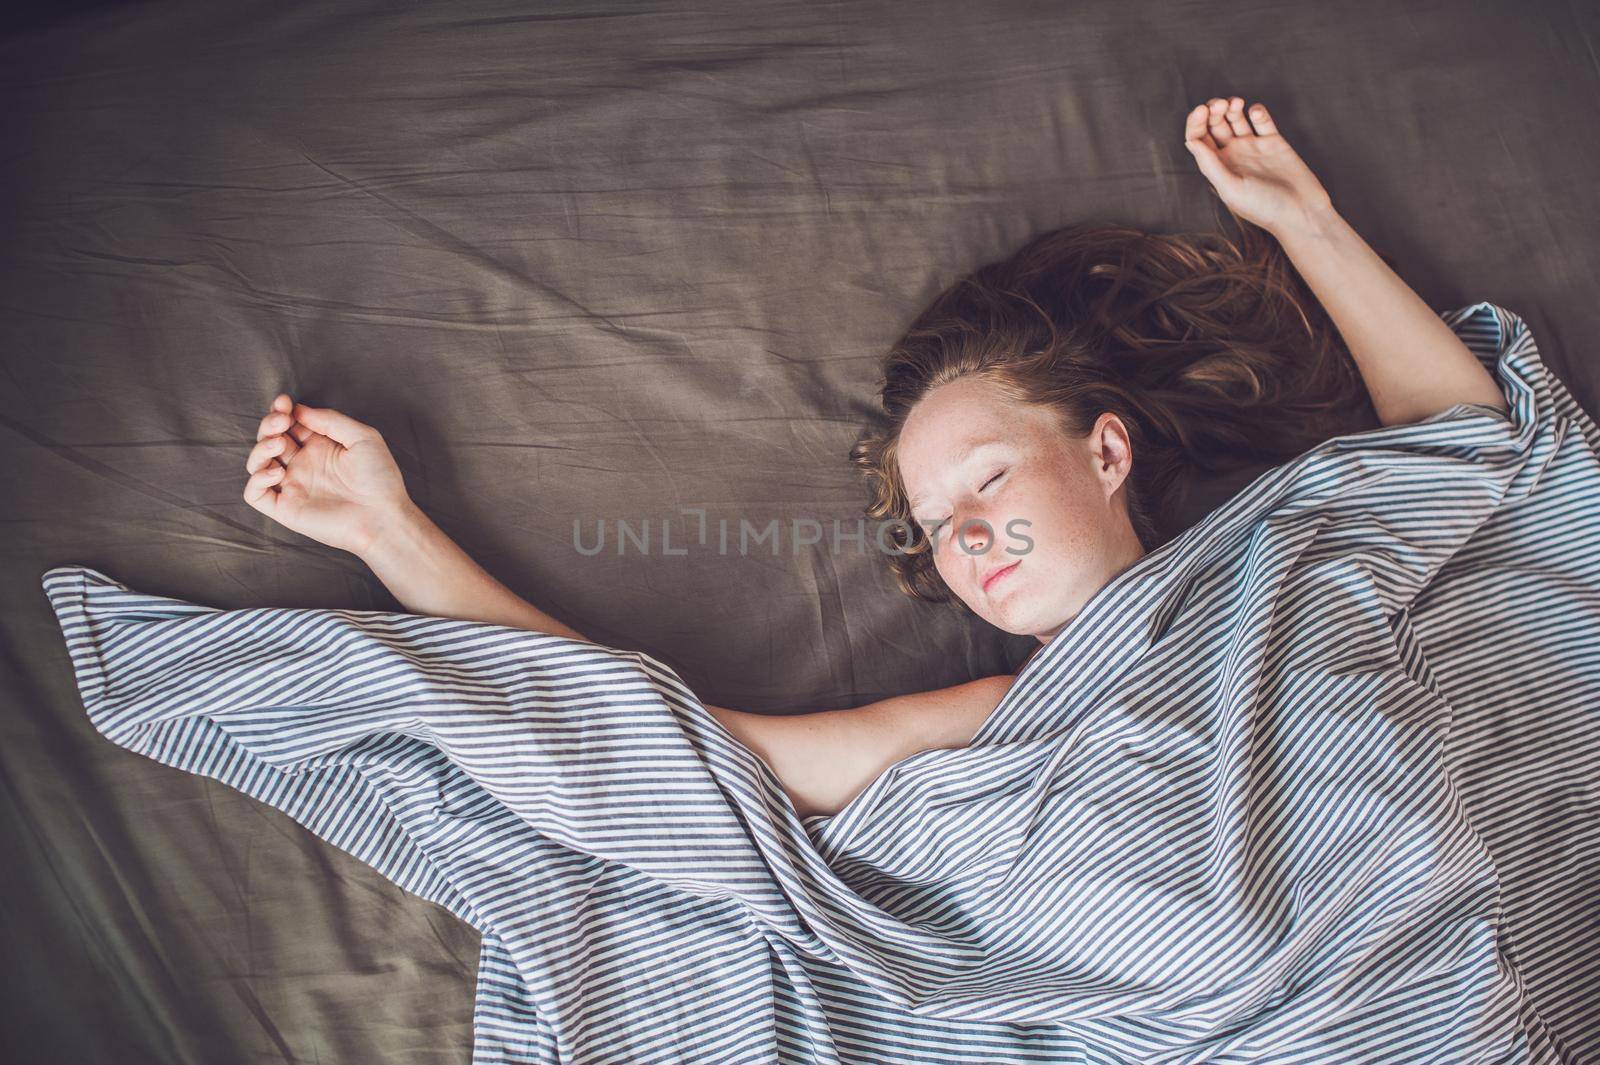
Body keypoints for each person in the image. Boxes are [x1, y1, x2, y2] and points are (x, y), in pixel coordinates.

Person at [241, 96, 1507, 820]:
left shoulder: (1278, 569)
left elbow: (1469, 464)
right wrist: (388, 532)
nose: (962, 538)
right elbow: (681, 750)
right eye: (934, 520)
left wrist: (1302, 217)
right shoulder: (1001, 719)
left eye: (988, 480)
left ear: (1106, 450)